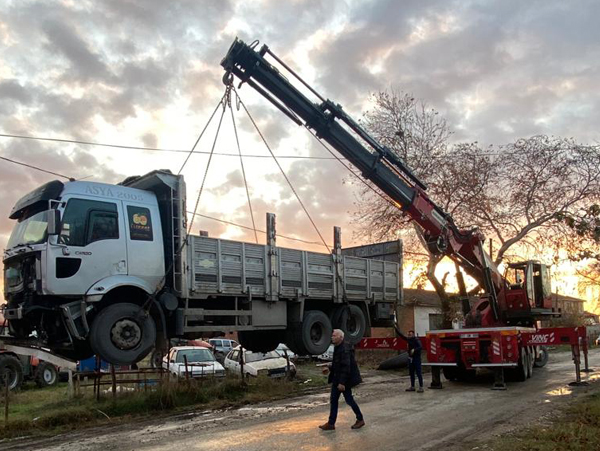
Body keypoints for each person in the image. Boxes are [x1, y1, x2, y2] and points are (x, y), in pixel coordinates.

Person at [319, 329, 365, 431]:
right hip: (337, 378)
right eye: (332, 336)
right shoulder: (338, 347)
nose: (332, 337)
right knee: (334, 400)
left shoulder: (344, 349)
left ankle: (360, 419)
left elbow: (346, 367)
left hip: (344, 380)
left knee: (349, 400)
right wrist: (329, 368)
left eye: (334, 336)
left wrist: (342, 383)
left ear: (341, 337)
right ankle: (331, 423)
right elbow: (337, 363)